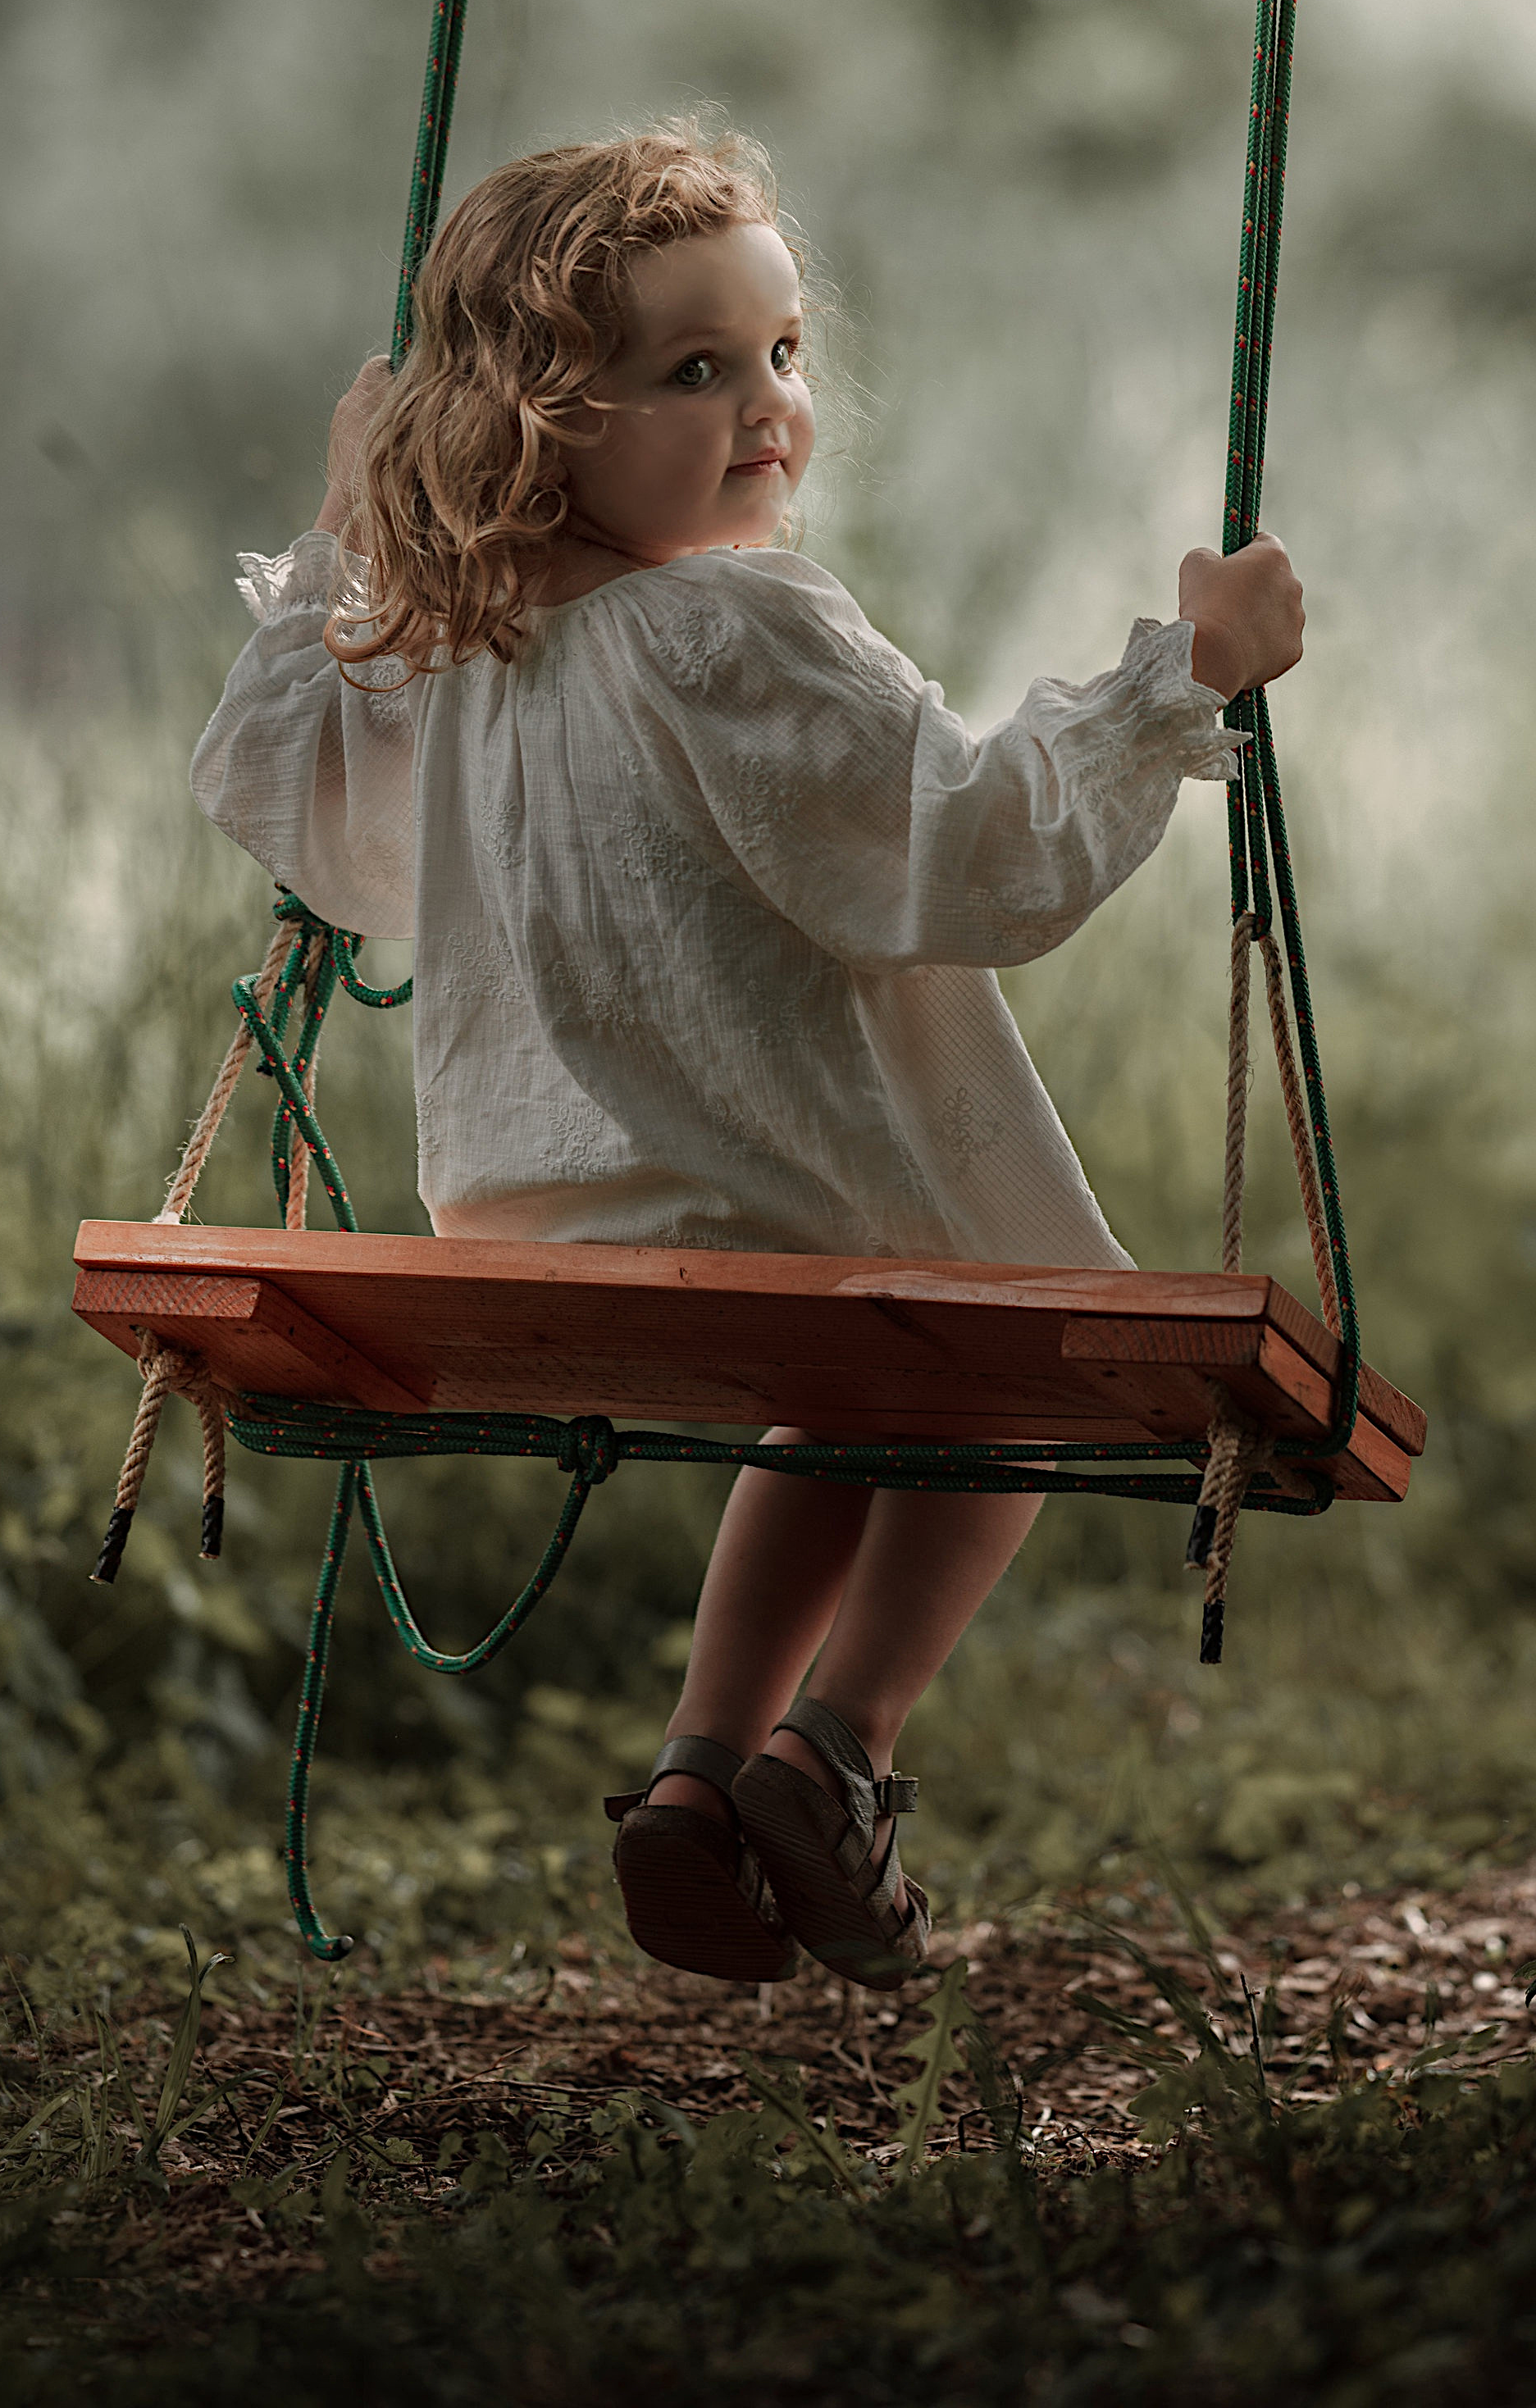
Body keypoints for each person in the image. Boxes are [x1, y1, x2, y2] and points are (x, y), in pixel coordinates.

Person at [189, 118, 1306, 1989]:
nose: (766, 402)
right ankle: (840, 1743)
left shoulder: (451, 655)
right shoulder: (739, 622)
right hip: (784, 1219)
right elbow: (972, 847)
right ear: (544, 423)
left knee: (844, 1391)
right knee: (1003, 1368)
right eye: (692, 370)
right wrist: (1188, 677)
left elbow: (267, 775)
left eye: (779, 352)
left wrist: (345, 535)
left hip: (529, 1232)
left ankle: (701, 1776)